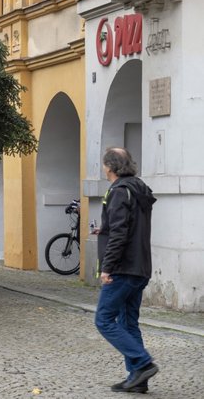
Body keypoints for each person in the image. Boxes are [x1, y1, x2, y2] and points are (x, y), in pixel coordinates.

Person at [96, 147, 158, 393]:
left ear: (110, 167)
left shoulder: (120, 191)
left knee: (103, 319)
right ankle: (137, 379)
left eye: (104, 164)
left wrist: (107, 267)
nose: (103, 168)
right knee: (128, 322)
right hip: (140, 266)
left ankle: (142, 363)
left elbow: (120, 233)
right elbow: (125, 229)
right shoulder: (138, 188)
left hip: (123, 268)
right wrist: (104, 232)